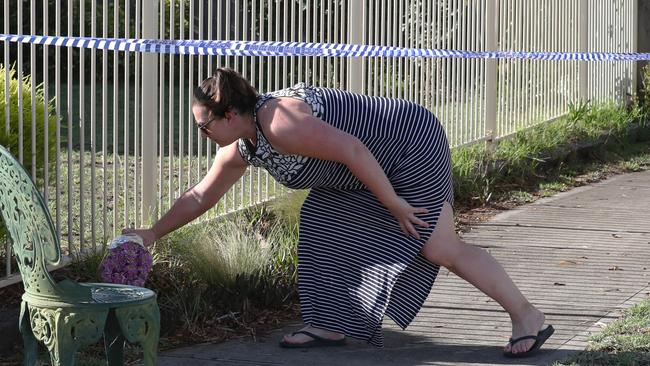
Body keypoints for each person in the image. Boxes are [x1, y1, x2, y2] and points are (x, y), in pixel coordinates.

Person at [123, 67, 554, 357]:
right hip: (364, 169)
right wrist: (152, 233)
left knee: (439, 247)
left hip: (408, 146)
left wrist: (392, 202)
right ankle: (328, 323)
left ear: (230, 114)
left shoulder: (279, 122)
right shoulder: (245, 144)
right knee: (318, 220)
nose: (201, 134)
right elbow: (200, 196)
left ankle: (526, 314)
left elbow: (352, 148)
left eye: (203, 126)